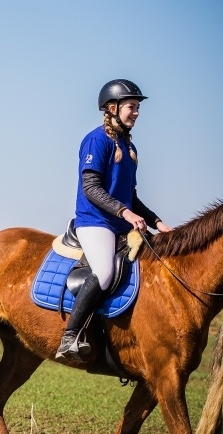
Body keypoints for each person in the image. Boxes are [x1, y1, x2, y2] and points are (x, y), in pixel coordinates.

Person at [56, 79, 172, 362]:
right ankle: (70, 337)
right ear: (112, 108)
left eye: (137, 107)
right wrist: (125, 213)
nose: (136, 112)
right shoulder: (96, 140)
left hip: (120, 224)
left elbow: (131, 197)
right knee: (105, 272)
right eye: (132, 106)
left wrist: (157, 222)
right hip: (95, 223)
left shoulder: (130, 148)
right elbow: (91, 188)